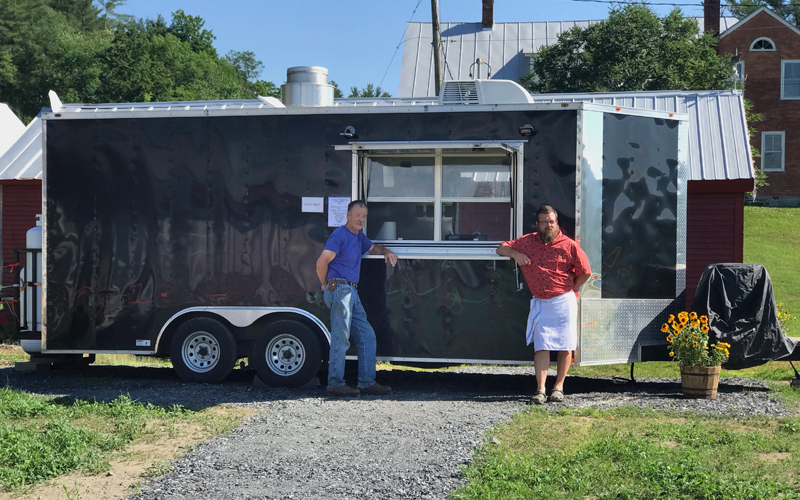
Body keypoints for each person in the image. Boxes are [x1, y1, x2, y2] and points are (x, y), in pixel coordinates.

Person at [496, 205, 591, 405]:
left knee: (565, 346)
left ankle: (558, 387)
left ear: (557, 223)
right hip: (540, 301)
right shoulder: (527, 241)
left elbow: (586, 272)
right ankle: (540, 390)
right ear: (537, 224)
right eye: (545, 222)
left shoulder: (569, 245)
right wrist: (515, 254)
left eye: (552, 222)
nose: (549, 226)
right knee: (542, 346)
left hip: (563, 300)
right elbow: (501, 247)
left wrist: (571, 288)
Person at [316, 200, 397, 397]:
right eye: (357, 215)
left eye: (364, 216)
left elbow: (373, 248)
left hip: (352, 292)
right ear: (348, 215)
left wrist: (386, 251)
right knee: (341, 338)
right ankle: (335, 384)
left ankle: (367, 382)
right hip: (339, 289)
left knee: (367, 335)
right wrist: (324, 285)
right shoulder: (339, 235)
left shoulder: (359, 237)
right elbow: (321, 262)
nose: (361, 219)